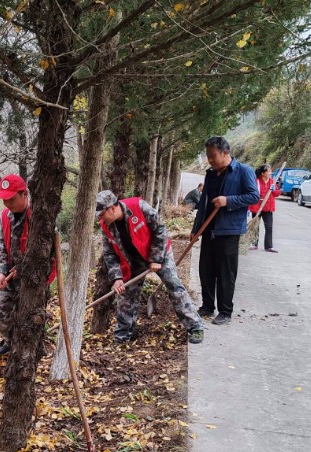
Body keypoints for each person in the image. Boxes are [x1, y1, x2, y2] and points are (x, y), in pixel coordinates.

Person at [97, 190, 204, 344]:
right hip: (134, 261)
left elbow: (160, 230)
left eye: (102, 214)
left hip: (160, 253)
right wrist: (117, 278)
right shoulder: (106, 226)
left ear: (112, 208)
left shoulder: (139, 207)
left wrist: (156, 259)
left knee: (174, 286)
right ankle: (122, 335)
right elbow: (109, 254)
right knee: (126, 294)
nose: (100, 219)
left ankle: (195, 327)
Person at [191, 137, 259, 325]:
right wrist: (196, 229)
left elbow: (254, 196)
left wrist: (227, 201)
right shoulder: (211, 174)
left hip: (229, 230)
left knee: (225, 273)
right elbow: (203, 202)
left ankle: (225, 311)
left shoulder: (243, 171)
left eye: (213, 156)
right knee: (206, 270)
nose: (210, 160)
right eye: (208, 156)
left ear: (225, 153)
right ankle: (207, 306)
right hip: (208, 229)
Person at [0, 174, 56, 356]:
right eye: (4, 200)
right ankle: (13, 342)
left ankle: (34, 347)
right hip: (11, 277)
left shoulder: (39, 215)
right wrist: (1, 272)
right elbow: (1, 246)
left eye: (11, 199)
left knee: (30, 315)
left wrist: (26, 268)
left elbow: (46, 253)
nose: (7, 204)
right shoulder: (5, 216)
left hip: (36, 278)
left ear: (24, 194)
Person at [248, 164, 281, 252]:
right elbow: (251, 193)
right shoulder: (256, 181)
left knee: (269, 227)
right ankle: (254, 244)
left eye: (270, 171)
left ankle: (269, 246)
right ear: (262, 173)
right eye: (268, 171)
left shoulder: (272, 182)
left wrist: (274, 190)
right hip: (257, 207)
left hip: (268, 208)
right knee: (255, 227)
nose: (270, 173)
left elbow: (277, 193)